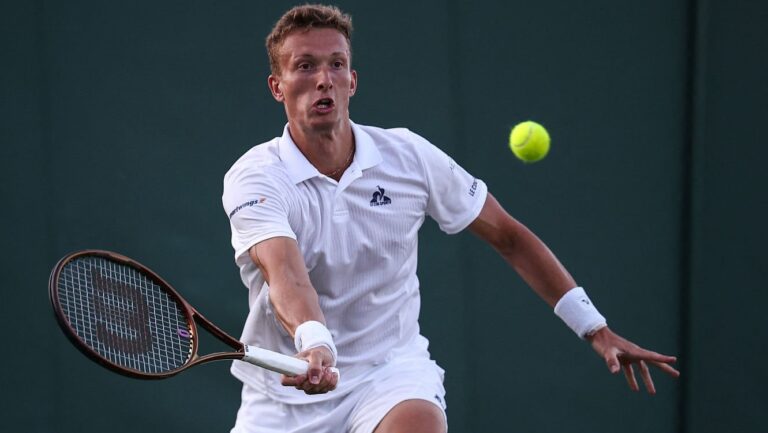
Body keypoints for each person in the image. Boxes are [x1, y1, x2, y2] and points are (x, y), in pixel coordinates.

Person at [222, 4, 679, 433]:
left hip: (389, 375)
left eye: (336, 65)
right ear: (277, 86)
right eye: (305, 66)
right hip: (283, 396)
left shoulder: (409, 157)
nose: (324, 79)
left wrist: (594, 327)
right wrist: (315, 342)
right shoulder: (256, 177)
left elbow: (509, 237)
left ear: (353, 80)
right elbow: (286, 274)